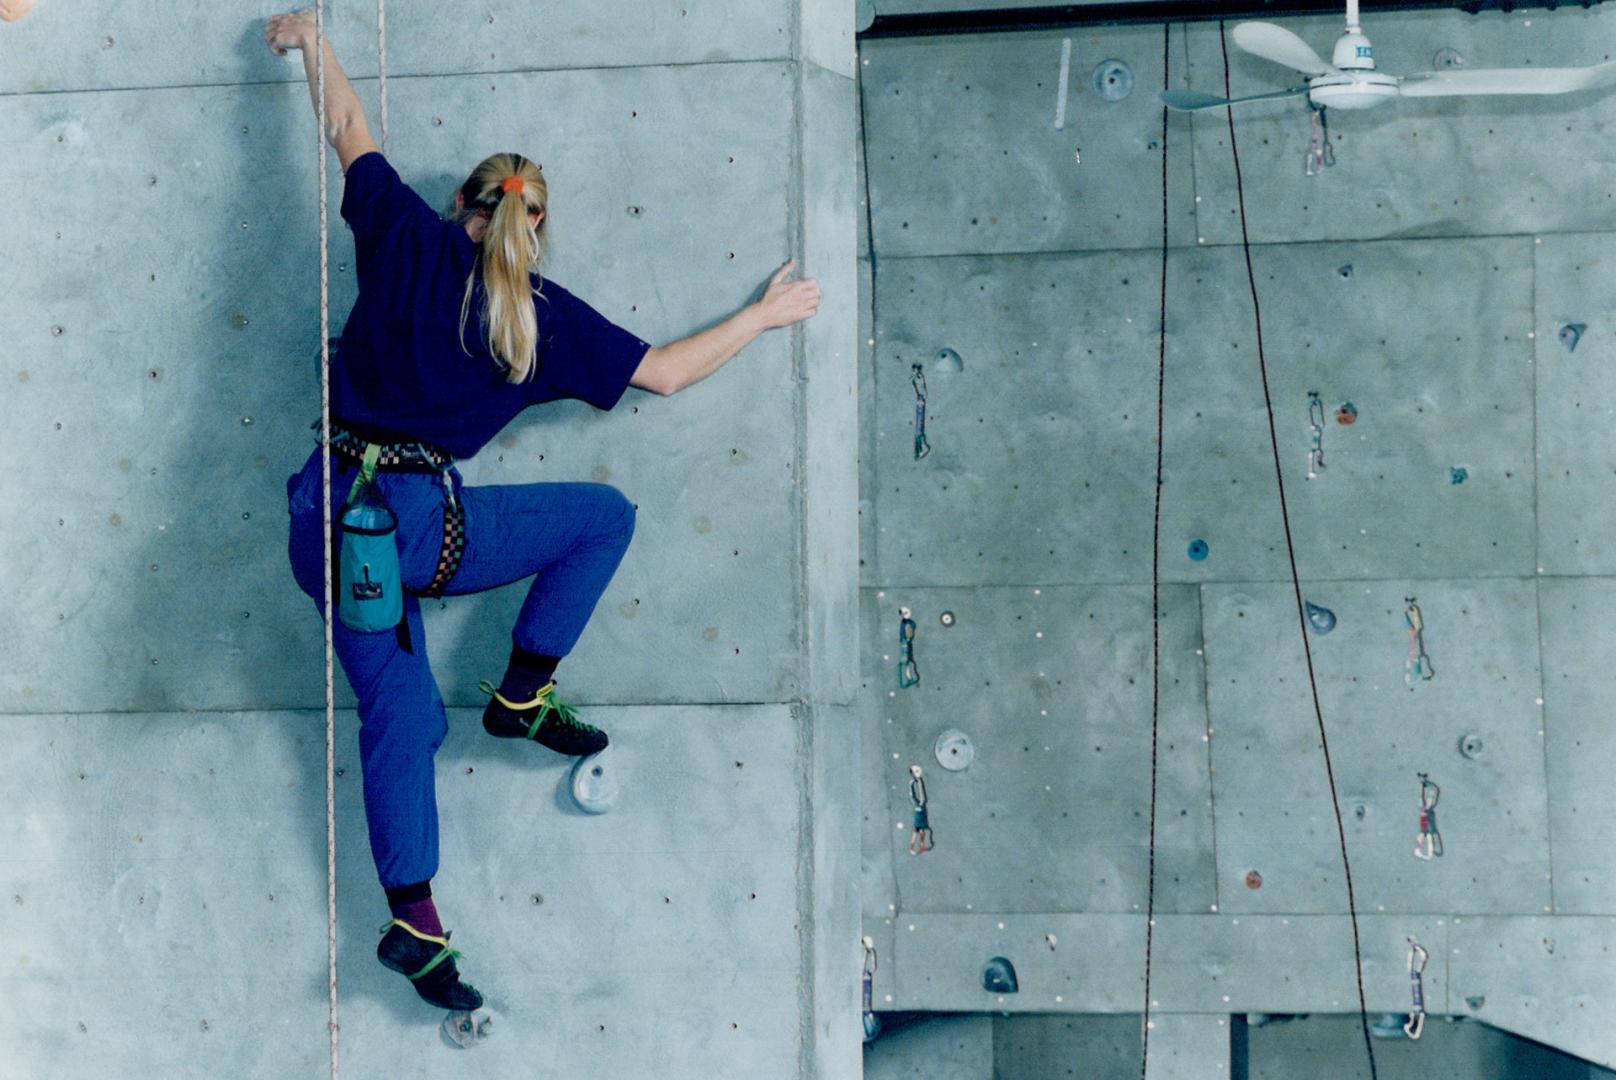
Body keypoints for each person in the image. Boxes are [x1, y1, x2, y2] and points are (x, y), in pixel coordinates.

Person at [266, 9, 820, 1013]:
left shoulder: (399, 234)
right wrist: (763, 313)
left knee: (402, 709)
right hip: (416, 531)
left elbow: (347, 123)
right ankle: (521, 694)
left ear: (460, 205)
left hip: (328, 524)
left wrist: (313, 40)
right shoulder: (542, 319)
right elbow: (664, 373)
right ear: (533, 227)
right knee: (599, 518)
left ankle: (416, 924)